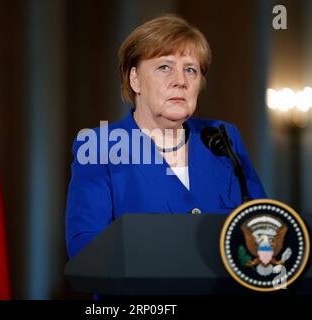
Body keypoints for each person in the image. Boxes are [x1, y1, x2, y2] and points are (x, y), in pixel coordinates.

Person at [66, 14, 266, 259]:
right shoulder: (100, 147)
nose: (180, 81)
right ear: (135, 79)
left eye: (190, 70)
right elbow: (85, 247)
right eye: (164, 67)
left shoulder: (222, 138)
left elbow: (263, 228)